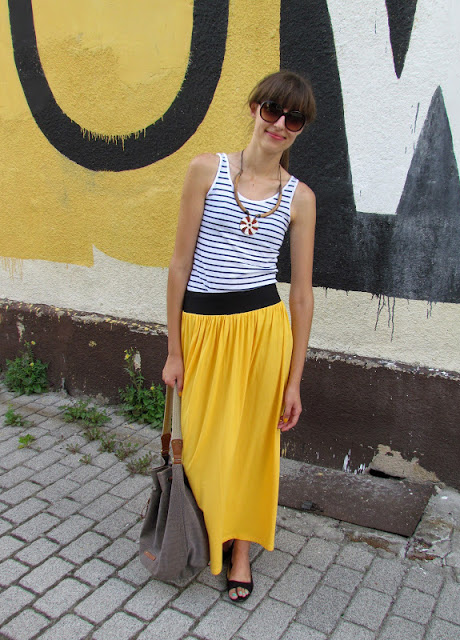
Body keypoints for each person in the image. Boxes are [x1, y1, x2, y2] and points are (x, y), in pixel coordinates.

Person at [162, 70, 316, 602]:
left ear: (300, 128)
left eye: (294, 118)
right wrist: (174, 350)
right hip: (203, 331)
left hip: (262, 334)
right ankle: (206, 529)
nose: (280, 124)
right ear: (254, 108)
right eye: (272, 110)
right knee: (203, 443)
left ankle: (242, 550)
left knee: (253, 446)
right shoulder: (205, 170)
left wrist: (295, 380)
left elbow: (301, 296)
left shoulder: (300, 198)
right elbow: (179, 266)